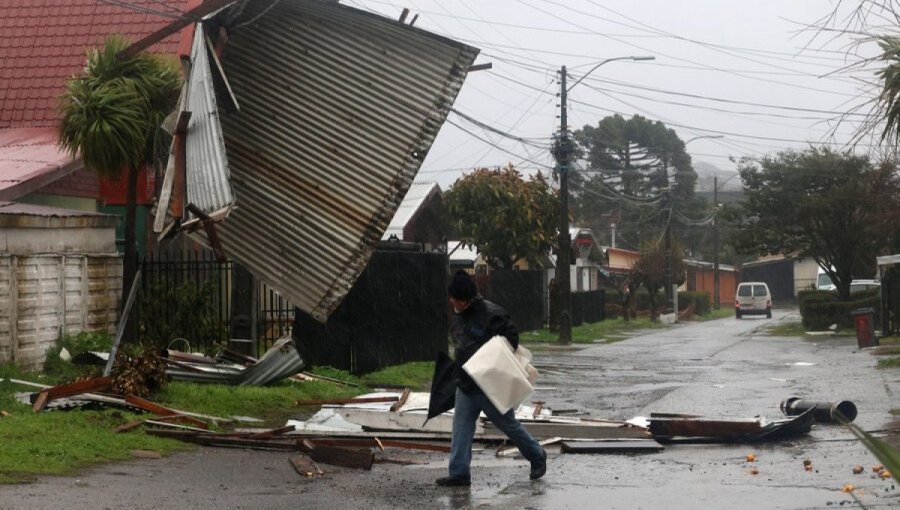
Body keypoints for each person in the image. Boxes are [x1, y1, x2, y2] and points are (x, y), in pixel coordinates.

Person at [435, 270, 547, 487]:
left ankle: (537, 455)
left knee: (509, 426)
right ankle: (459, 473)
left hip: (489, 387)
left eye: (454, 298)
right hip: (466, 385)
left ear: (465, 300)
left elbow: (511, 341)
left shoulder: (492, 314)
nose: (451, 301)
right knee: (461, 429)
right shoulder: (459, 315)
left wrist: (489, 359)